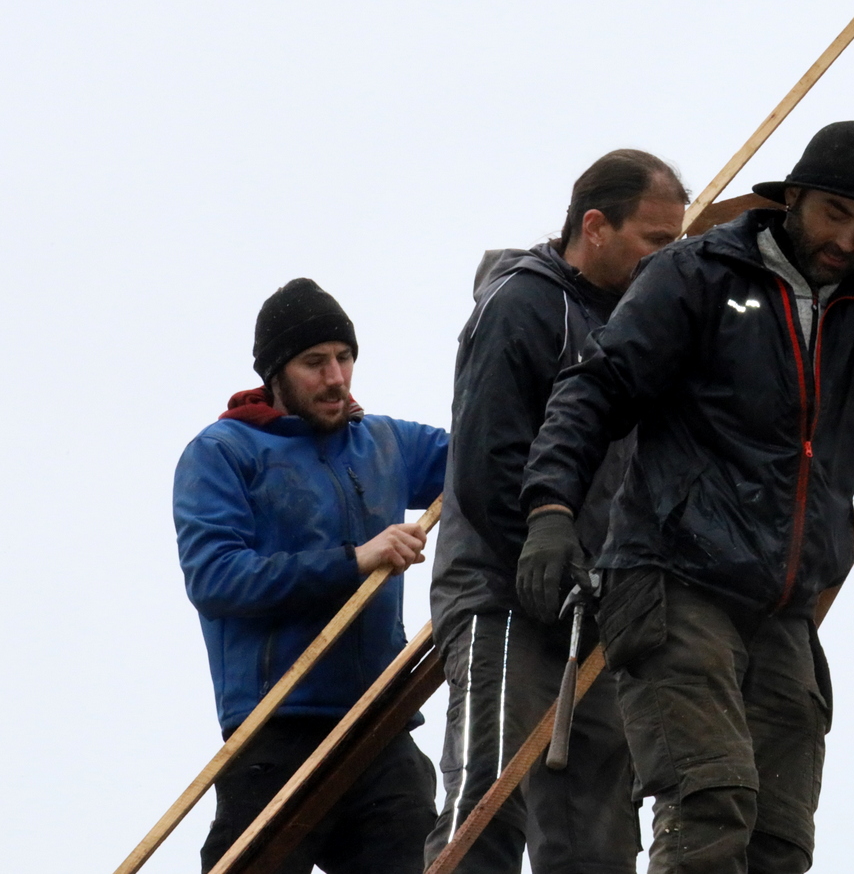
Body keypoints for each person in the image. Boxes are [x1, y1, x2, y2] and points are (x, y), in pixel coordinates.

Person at [517, 118, 854, 874]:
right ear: (793, 198)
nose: (848, 240)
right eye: (835, 214)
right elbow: (594, 390)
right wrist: (551, 511)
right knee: (708, 807)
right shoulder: (697, 276)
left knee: (779, 843)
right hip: (675, 583)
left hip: (782, 608)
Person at [423, 150, 689, 874]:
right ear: (595, 226)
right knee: (487, 801)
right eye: (655, 240)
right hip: (504, 592)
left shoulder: (640, 325)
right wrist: (544, 546)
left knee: (597, 833)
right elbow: (488, 461)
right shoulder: (521, 304)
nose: (667, 259)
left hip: (599, 603)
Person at [174, 278, 447, 874]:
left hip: (378, 722)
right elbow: (217, 578)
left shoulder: (384, 443)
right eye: (314, 362)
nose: (336, 377)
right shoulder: (223, 452)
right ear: (276, 374)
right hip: (275, 729)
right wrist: (354, 560)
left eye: (344, 357)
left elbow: (487, 454)